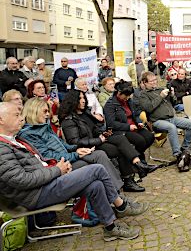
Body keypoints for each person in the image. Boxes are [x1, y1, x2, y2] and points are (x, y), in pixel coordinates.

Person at [0, 102, 149, 241]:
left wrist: (59, 165)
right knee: (96, 169)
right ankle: (121, 206)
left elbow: (42, 160)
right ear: (1, 120)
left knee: (95, 185)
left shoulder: (15, 139)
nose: (22, 118)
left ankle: (110, 227)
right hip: (36, 194)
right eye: (16, 115)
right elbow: (21, 180)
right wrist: (58, 170)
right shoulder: (3, 147)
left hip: (46, 182)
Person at [59, 90, 158, 192]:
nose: (83, 100)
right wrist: (98, 139)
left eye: (84, 98)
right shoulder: (69, 120)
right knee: (119, 149)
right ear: (72, 101)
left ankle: (138, 165)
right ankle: (130, 179)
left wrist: (103, 133)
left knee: (120, 138)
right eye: (80, 99)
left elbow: (94, 128)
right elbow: (75, 142)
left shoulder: (86, 113)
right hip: (89, 147)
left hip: (98, 139)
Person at [18, 98, 123, 191]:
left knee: (99, 154)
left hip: (67, 158)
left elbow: (62, 144)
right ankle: (116, 197)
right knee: (92, 166)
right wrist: (76, 155)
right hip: (58, 166)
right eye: (45, 111)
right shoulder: (29, 133)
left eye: (48, 111)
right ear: (34, 111)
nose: (47, 114)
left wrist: (77, 149)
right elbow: (47, 156)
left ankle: (116, 192)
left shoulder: (44, 126)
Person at [138, 71, 191, 159]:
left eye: (155, 79)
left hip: (172, 118)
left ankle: (185, 148)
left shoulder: (160, 89)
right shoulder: (143, 95)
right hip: (157, 122)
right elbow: (148, 108)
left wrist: (172, 95)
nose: (155, 82)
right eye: (151, 81)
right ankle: (177, 154)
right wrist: (160, 96)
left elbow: (174, 103)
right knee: (171, 127)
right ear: (145, 82)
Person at [103, 80, 155, 162]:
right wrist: (128, 127)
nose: (127, 98)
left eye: (129, 96)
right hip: (122, 130)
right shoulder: (110, 104)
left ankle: (137, 156)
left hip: (134, 126)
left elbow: (135, 113)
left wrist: (138, 122)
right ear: (119, 93)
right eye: (126, 96)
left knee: (150, 137)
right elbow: (111, 123)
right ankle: (139, 159)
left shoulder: (129, 101)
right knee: (140, 140)